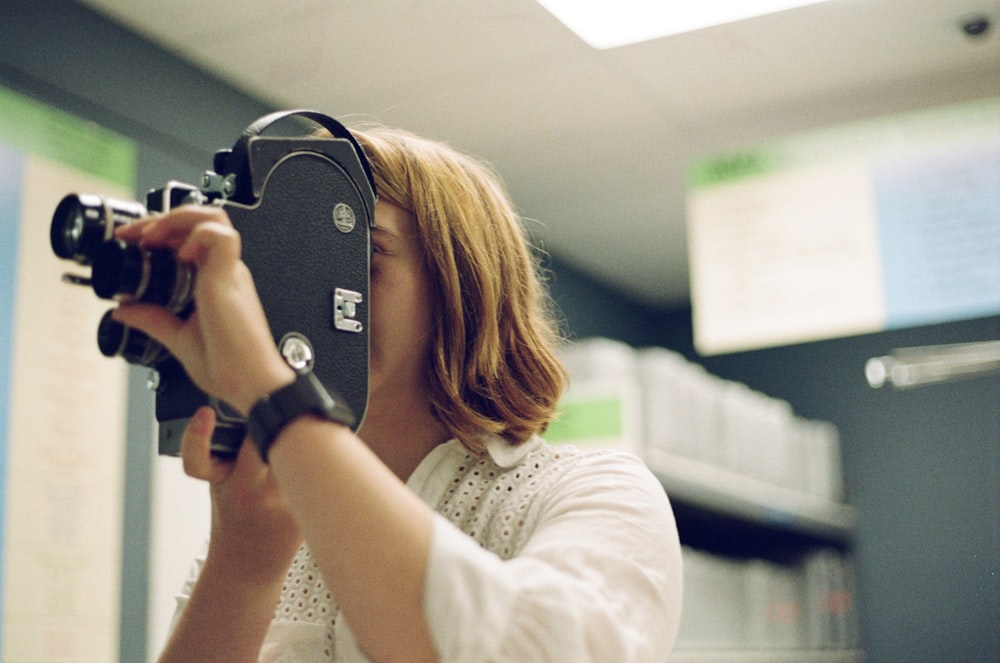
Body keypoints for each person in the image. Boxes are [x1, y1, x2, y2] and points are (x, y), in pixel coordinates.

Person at [114, 123, 683, 662]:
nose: (313, 292)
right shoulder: (275, 514)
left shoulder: (594, 494)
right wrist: (244, 565)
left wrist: (273, 396)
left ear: (462, 286)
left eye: (355, 256)